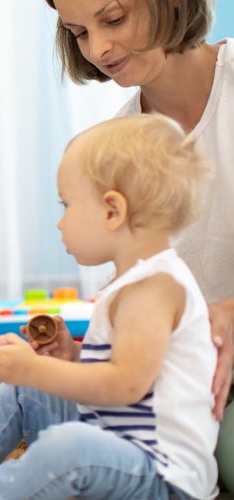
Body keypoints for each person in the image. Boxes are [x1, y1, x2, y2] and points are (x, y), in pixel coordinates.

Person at [0, 114, 217, 500]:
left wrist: (38, 368)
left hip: (162, 478)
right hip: (117, 453)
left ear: (112, 211)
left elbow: (126, 385)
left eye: (67, 204)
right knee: (25, 389)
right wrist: (71, 357)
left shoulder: (153, 288)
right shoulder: (134, 284)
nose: (60, 223)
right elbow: (125, 378)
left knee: (68, 443)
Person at [46, 0, 234, 420]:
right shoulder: (116, 151)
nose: (97, 49)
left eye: (114, 19)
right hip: (194, 387)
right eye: (79, 33)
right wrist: (81, 358)